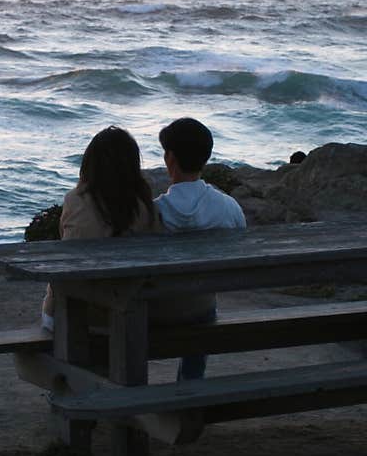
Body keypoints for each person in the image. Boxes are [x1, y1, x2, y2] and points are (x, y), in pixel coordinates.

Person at [150, 117, 246, 379]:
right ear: (206, 158)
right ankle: (191, 384)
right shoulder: (228, 207)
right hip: (201, 307)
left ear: (170, 159)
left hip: (154, 310)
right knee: (200, 306)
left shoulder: (154, 212)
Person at [41, 126, 161, 330]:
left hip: (72, 311)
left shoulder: (75, 200)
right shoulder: (144, 205)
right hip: (130, 312)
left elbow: (66, 239)